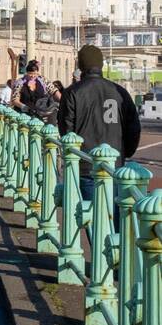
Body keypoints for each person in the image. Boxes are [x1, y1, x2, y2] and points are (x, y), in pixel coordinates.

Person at [58, 44, 141, 206]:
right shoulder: (119, 91)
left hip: (85, 163)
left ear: (81, 66)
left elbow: (66, 131)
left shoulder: (72, 92)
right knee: (114, 219)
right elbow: (133, 128)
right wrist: (125, 152)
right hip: (115, 162)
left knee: (93, 218)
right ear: (101, 64)